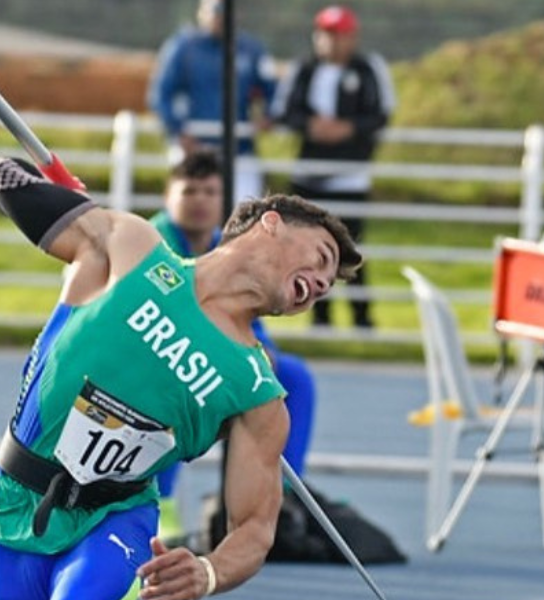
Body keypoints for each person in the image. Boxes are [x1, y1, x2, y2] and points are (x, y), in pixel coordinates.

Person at [0, 155, 361, 599]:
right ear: (271, 223)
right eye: (321, 258)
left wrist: (208, 572)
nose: (322, 284)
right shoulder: (134, 249)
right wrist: (59, 192)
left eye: (328, 284)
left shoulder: (258, 393)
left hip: (114, 519)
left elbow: (253, 529)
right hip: (10, 494)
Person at [149, 150, 319, 542]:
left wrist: (262, 349)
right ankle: (162, 502)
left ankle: (283, 496)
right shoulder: (153, 244)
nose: (200, 200)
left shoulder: (226, 245)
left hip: (219, 358)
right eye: (189, 190)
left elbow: (251, 312)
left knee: (292, 376)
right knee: (181, 391)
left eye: (210, 191)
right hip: (162, 354)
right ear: (167, 195)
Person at [270, 5, 396, 329]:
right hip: (309, 173)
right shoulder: (303, 69)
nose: (332, 42)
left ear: (352, 38)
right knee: (308, 250)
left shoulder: (369, 69)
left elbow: (381, 113)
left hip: (350, 176)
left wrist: (348, 128)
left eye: (339, 35)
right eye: (326, 35)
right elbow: (284, 110)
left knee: (351, 250)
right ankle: (319, 317)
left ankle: (362, 319)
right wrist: (311, 126)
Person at [147, 0, 278, 204]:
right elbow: (160, 95)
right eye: (216, 10)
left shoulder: (251, 49)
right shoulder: (183, 47)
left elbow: (274, 91)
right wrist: (177, 130)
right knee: (188, 211)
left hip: (239, 149)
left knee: (246, 212)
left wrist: (268, 116)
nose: (221, 17)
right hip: (193, 147)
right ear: (202, 12)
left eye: (227, 11)